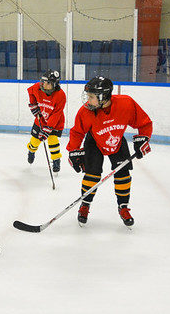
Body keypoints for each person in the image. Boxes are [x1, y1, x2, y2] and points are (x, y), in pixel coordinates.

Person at [65, 77, 153, 228]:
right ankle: (85, 204)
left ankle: (123, 207)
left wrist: (143, 138)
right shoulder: (86, 111)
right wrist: (73, 151)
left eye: (91, 97)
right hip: (94, 142)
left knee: (123, 173)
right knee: (92, 174)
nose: (88, 100)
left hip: (116, 140)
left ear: (104, 96)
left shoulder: (126, 103)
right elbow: (77, 132)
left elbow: (144, 122)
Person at [26, 70, 66, 172]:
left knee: (52, 139)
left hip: (56, 121)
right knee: (35, 141)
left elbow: (56, 114)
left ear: (54, 84)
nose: (43, 84)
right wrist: (33, 105)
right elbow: (30, 91)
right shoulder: (38, 87)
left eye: (47, 82)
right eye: (43, 81)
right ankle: (31, 151)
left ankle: (56, 160)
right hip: (41, 119)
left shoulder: (61, 95)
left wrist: (48, 128)